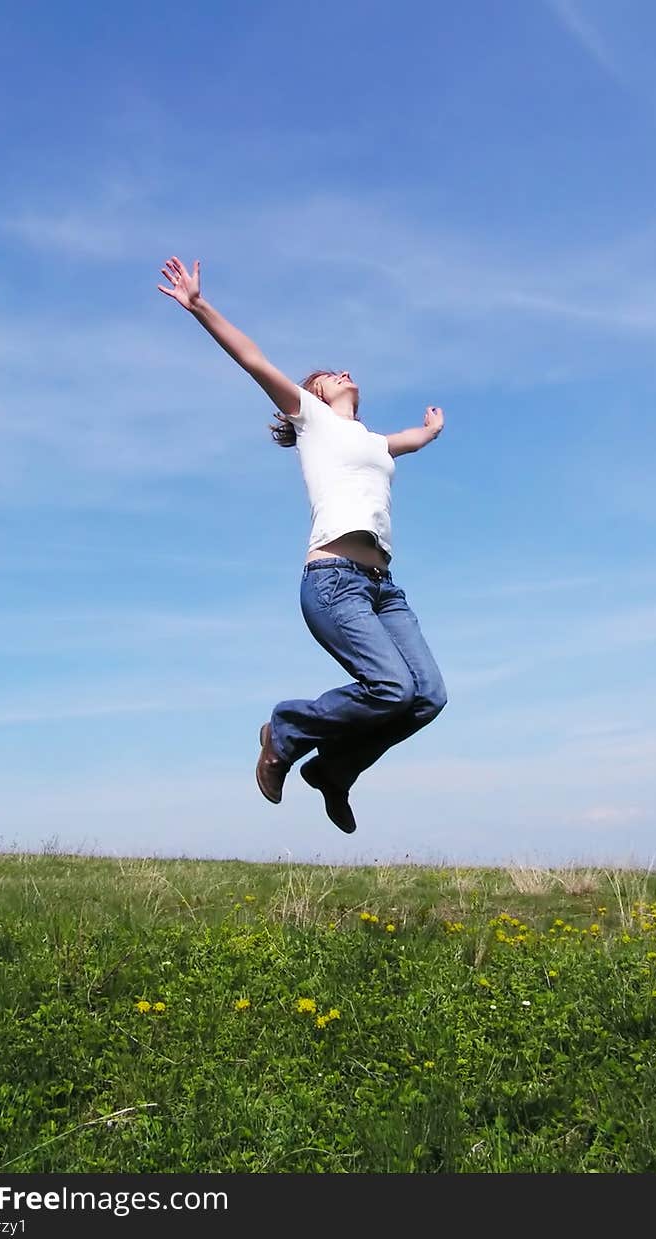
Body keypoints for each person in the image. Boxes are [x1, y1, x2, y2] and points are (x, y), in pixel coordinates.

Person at [158, 255, 447, 833]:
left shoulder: (372, 440)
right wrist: (199, 307)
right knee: (390, 687)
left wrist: (431, 432)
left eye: (343, 373)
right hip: (333, 579)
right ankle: (285, 731)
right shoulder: (313, 419)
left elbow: (406, 442)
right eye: (327, 375)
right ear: (312, 393)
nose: (340, 374)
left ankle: (332, 771)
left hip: (382, 588)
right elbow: (252, 359)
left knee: (427, 697)